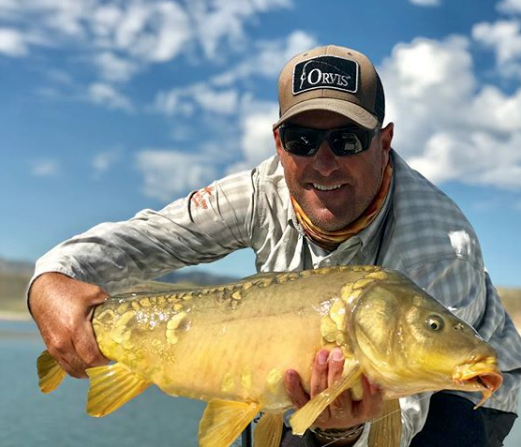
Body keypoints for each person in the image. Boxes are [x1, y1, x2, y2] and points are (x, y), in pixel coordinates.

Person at [28, 45, 521, 446]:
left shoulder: (439, 244)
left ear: (384, 140)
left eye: (346, 140)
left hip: (460, 399)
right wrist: (49, 282)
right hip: (295, 374)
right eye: (302, 140)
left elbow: (401, 423)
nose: (323, 163)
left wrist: (344, 428)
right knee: (277, 415)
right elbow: (142, 241)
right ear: (279, 142)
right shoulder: (260, 189)